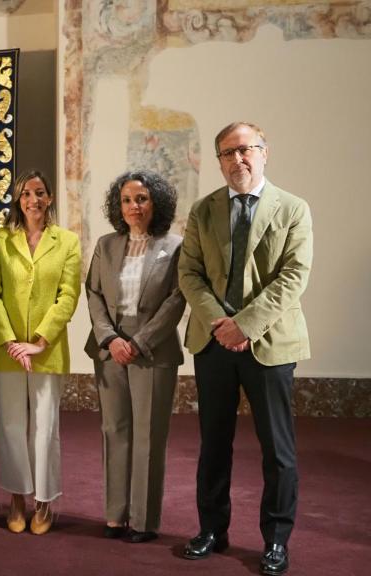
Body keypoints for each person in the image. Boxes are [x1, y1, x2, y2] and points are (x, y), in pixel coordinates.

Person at [179, 122, 312, 576]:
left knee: (277, 448)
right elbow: (189, 273)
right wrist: (221, 323)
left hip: (269, 344)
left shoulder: (293, 208)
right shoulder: (203, 211)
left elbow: (293, 277)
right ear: (218, 161)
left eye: (246, 149)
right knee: (214, 444)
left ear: (264, 152)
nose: (238, 159)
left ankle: (276, 538)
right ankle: (212, 530)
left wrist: (246, 325)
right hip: (214, 341)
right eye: (228, 153)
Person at [84, 170, 186, 543]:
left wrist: (139, 341)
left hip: (152, 351)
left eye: (141, 199)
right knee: (115, 431)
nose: (134, 206)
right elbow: (93, 292)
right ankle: (115, 515)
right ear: (118, 205)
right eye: (127, 200)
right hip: (110, 350)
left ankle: (143, 521)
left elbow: (177, 299)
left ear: (155, 203)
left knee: (148, 435)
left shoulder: (174, 246)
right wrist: (110, 338)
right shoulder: (106, 244)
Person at [0, 170, 81, 535]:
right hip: (7, 350)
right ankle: (17, 497)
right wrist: (10, 341)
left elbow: (68, 295)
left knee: (44, 427)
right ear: (17, 199)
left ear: (50, 197)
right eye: (26, 193)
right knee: (10, 426)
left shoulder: (67, 241)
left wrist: (39, 340)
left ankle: (44, 500)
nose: (33, 199)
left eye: (40, 192)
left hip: (46, 350)